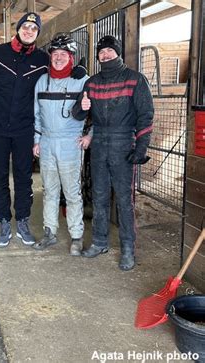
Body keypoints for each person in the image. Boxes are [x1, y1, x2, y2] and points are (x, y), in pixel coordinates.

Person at [0, 13, 87, 248]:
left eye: (34, 28)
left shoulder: (43, 59)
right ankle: (4, 220)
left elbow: (58, 71)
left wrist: (80, 70)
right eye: (26, 26)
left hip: (25, 129)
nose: (29, 30)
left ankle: (22, 220)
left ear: (37, 32)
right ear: (19, 28)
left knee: (24, 178)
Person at [72, 35, 154, 270]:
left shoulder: (135, 80)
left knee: (124, 201)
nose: (105, 54)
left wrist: (141, 148)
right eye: (102, 51)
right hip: (99, 147)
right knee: (98, 197)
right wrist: (81, 107)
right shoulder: (92, 83)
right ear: (98, 56)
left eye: (109, 50)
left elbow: (145, 115)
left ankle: (128, 248)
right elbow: (78, 114)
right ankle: (99, 242)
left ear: (118, 53)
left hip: (122, 144)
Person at [31, 33, 90, 256]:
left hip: (70, 143)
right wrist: (36, 141)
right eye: (55, 54)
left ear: (71, 57)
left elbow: (99, 114)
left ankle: (76, 236)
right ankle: (50, 233)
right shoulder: (41, 81)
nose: (58, 58)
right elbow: (36, 114)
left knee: (72, 192)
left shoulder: (83, 81)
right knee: (49, 191)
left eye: (63, 54)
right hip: (46, 142)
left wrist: (89, 136)